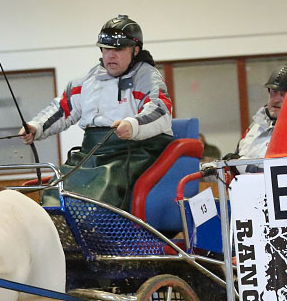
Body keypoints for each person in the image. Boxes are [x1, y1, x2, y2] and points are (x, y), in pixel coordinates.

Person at [19, 14, 173, 210]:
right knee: (59, 184)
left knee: (107, 180)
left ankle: (95, 232)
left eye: (118, 49)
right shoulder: (87, 81)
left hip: (135, 151)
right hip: (93, 151)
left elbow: (160, 110)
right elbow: (63, 108)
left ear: (135, 50)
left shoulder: (147, 77)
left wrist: (133, 125)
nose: (110, 55)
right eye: (106, 48)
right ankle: (59, 224)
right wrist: (36, 127)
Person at [233, 63, 287, 159]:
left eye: (283, 94)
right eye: (273, 92)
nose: (276, 100)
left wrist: (240, 166)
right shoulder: (255, 126)